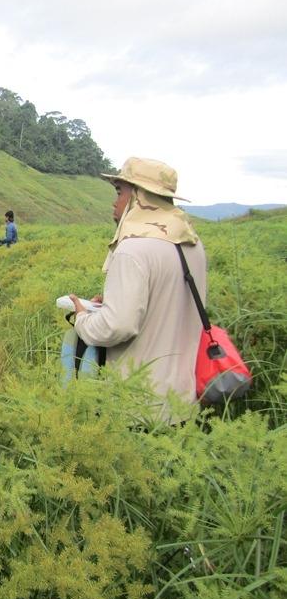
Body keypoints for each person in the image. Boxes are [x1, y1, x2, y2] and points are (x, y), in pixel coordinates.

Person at [66, 157, 206, 424]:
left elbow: (117, 327)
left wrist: (83, 318)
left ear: (139, 197)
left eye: (120, 192)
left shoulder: (133, 249)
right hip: (185, 401)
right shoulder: (192, 245)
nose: (114, 203)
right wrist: (114, 302)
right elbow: (168, 304)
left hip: (139, 406)